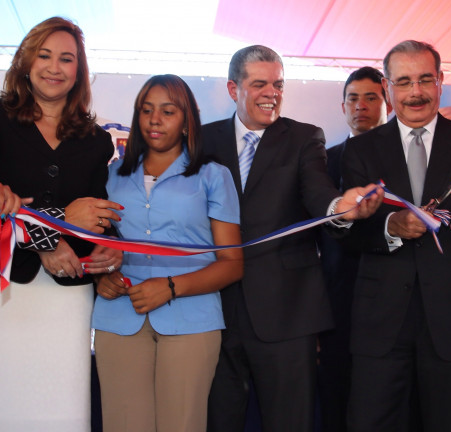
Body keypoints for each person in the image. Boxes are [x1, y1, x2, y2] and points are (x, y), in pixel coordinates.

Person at [203, 45, 382, 432]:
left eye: (279, 84)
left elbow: (317, 193)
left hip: (287, 312)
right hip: (214, 311)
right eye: (260, 84)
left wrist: (339, 208)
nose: (272, 93)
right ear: (233, 89)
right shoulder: (202, 140)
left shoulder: (304, 137)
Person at [342, 40, 451, 432]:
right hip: (381, 322)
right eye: (403, 82)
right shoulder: (361, 150)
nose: (415, 92)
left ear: (441, 81)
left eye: (424, 80)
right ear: (388, 88)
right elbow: (347, 234)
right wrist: (391, 227)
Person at [92, 74, 243, 431]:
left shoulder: (213, 176)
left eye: (168, 111)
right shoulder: (111, 175)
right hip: (119, 317)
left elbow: (233, 264)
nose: (154, 120)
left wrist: (171, 287)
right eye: (146, 111)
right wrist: (102, 277)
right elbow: (97, 246)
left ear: (187, 121)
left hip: (192, 320)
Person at [0, 16, 123, 431]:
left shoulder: (96, 140)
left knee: (62, 407)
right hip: (8, 288)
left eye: (66, 59)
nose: (54, 67)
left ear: (79, 70)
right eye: (44, 55)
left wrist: (111, 248)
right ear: (26, 61)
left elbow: (96, 214)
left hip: (67, 294)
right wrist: (45, 240)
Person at [318, 66, 391, 432]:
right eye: (353, 98)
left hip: (395, 299)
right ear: (343, 106)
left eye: (371, 97)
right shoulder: (323, 162)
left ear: (387, 102)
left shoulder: (404, 158)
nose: (361, 106)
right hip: (338, 301)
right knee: (337, 396)